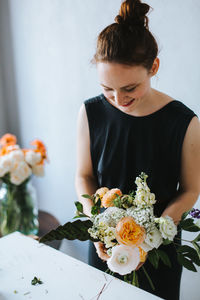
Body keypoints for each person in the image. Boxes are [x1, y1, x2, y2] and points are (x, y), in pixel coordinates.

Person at [75, 0, 200, 299]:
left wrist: (155, 233)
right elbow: (83, 175)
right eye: (107, 89)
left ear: (153, 67)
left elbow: (191, 189)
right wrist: (98, 227)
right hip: (105, 249)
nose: (118, 99)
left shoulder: (184, 122)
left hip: (160, 255)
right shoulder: (90, 113)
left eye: (129, 88)